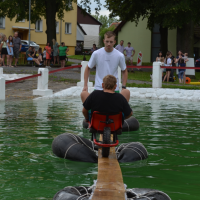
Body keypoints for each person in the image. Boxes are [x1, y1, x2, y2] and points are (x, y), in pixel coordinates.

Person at [81, 31, 129, 107]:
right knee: (94, 107)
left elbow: (124, 70)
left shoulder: (120, 55)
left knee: (116, 108)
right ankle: (89, 117)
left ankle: (121, 117)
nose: (109, 44)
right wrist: (85, 85)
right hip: (99, 87)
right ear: (104, 41)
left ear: (114, 42)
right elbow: (87, 68)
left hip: (114, 88)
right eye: (107, 41)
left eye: (111, 42)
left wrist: (123, 86)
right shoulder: (96, 53)